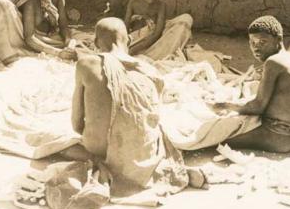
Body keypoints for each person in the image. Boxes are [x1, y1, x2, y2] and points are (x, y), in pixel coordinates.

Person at [64, 17, 194, 196]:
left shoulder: (86, 64)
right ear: (130, 40)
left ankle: (97, 161)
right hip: (140, 153)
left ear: (95, 42)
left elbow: (77, 125)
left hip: (97, 148)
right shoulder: (152, 72)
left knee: (60, 144)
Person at [213, 16, 290, 153]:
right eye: (252, 42)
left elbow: (258, 107)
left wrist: (225, 105)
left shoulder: (274, 62)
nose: (256, 48)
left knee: (217, 139)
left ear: (278, 39)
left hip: (279, 138)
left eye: (262, 42)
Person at [11, 0, 76, 61]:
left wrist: (68, 42)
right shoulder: (31, 0)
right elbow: (29, 38)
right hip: (32, 42)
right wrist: (58, 53)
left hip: (51, 38)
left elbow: (63, 25)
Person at [124, 0, 193, 60]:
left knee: (187, 18)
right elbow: (125, 27)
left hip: (155, 41)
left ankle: (150, 53)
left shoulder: (161, 6)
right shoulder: (133, 3)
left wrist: (133, 50)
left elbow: (157, 33)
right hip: (136, 40)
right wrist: (136, 19)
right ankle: (155, 54)